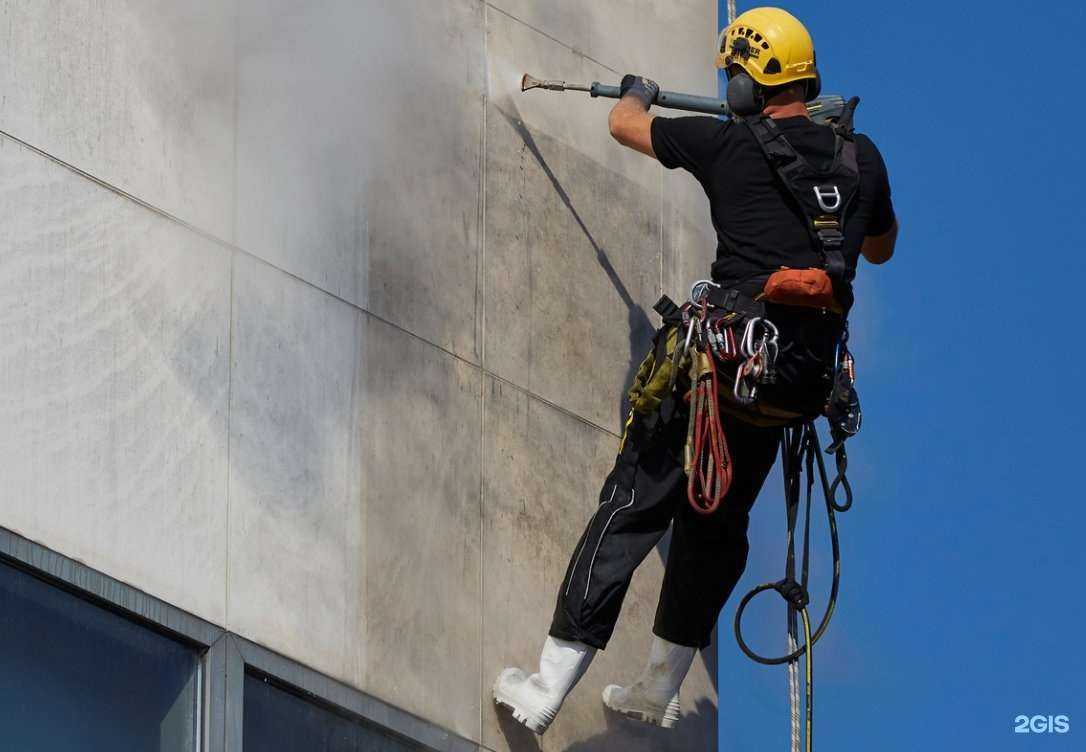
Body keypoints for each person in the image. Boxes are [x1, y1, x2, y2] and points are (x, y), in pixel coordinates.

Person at [494, 6, 897, 734]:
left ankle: (545, 688)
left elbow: (623, 125)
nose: (727, 84)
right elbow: (880, 247)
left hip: (720, 372)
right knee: (715, 530)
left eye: (730, 74)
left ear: (749, 81)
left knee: (633, 507)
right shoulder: (860, 158)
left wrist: (637, 89)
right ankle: (657, 686)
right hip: (785, 390)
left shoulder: (727, 147)